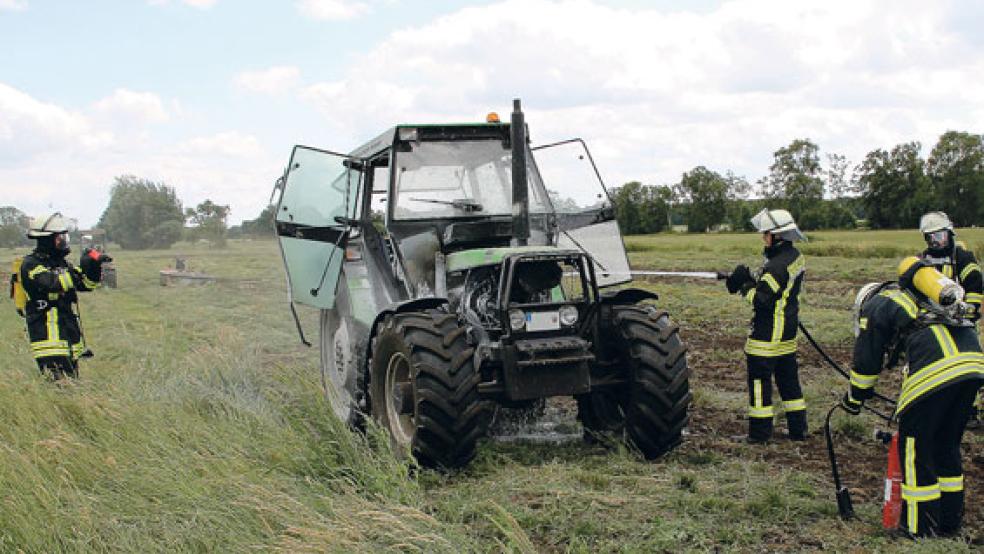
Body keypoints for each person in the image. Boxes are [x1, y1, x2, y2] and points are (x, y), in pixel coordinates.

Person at [844, 258, 983, 538]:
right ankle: (949, 523)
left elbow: (867, 361)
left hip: (936, 371)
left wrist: (854, 399)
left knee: (914, 448)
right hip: (973, 365)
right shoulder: (922, 301)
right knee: (946, 445)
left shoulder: (878, 305)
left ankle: (919, 529)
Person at [725, 208, 807, 443]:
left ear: (777, 237)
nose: (763, 239)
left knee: (760, 386)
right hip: (787, 335)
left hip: (766, 337)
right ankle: (798, 430)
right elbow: (776, 290)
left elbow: (761, 300)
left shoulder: (775, 267)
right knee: (790, 384)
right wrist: (753, 279)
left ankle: (759, 435)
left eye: (766, 234)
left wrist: (744, 286)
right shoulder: (795, 257)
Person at [19, 212, 109, 380]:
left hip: (66, 334)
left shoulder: (61, 263)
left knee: (71, 384)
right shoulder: (31, 264)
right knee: (59, 386)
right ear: (46, 239)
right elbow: (53, 283)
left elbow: (87, 285)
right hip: (48, 338)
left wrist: (94, 268)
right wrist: (79, 269)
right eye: (59, 238)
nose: (63, 241)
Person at [917, 211, 981, 320]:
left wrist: (967, 309)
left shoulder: (963, 258)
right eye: (930, 238)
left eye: (939, 237)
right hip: (930, 319)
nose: (935, 242)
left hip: (960, 320)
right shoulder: (922, 260)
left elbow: (974, 288)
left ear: (950, 234)